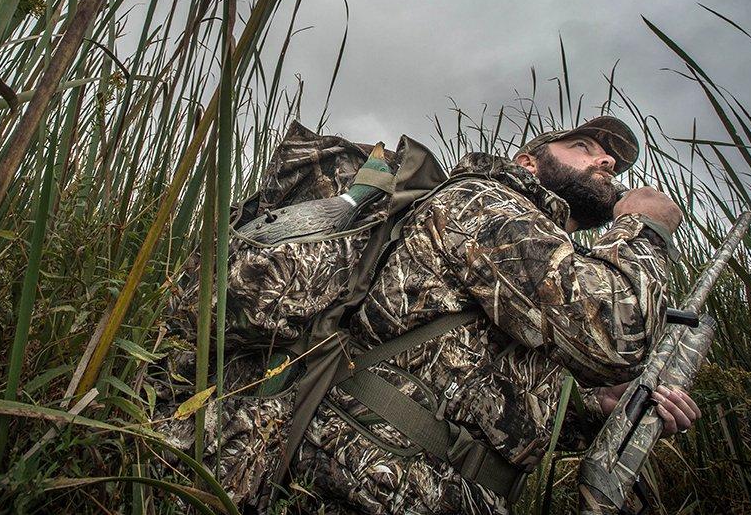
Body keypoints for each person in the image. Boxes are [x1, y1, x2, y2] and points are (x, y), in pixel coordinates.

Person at [158, 115, 700, 514]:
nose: (606, 162)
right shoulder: (483, 204)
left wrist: (592, 412)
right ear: (528, 161)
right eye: (584, 147)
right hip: (369, 483)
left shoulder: (545, 258)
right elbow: (615, 334)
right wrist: (647, 227)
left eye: (614, 163)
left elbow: (477, 393)